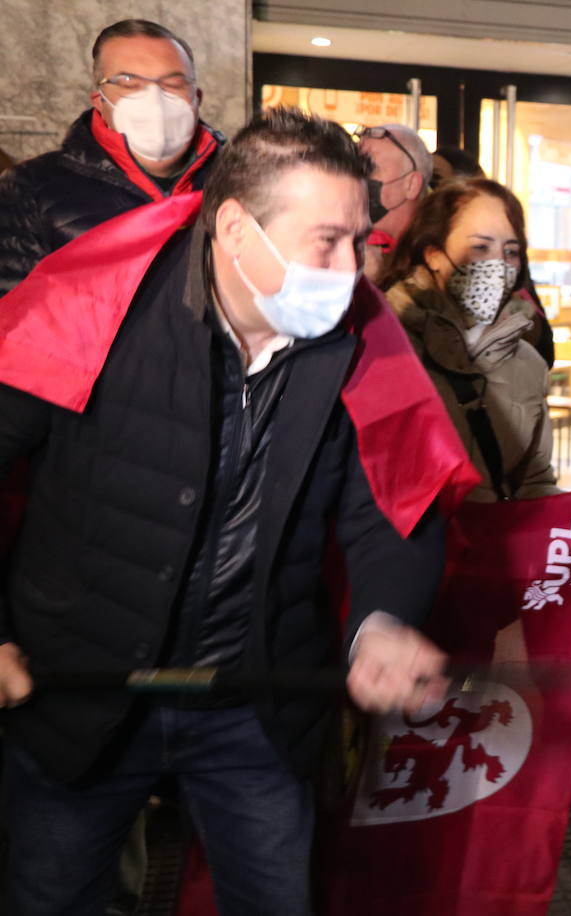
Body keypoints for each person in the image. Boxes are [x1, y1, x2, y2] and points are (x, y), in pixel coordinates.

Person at [0, 108, 471, 914]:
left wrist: (384, 621)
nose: (352, 266)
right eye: (327, 240)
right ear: (235, 228)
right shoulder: (95, 302)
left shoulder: (360, 335)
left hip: (257, 696)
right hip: (77, 684)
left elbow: (396, 502)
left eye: (360, 238)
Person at [378, 179, 571, 536]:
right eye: (481, 247)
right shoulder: (386, 346)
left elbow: (532, 484)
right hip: (410, 557)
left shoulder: (526, 361)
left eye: (511, 251)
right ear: (434, 254)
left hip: (489, 562)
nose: (498, 265)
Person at [0, 18, 221, 296]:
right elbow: (15, 319)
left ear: (196, 97)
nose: (154, 99)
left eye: (173, 83)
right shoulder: (28, 189)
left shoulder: (242, 181)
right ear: (99, 100)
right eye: (128, 82)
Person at [357, 123, 432, 282]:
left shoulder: (435, 258)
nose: (356, 177)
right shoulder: (341, 244)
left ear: (411, 185)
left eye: (369, 167)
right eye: (353, 166)